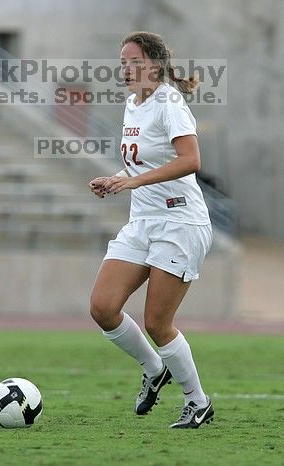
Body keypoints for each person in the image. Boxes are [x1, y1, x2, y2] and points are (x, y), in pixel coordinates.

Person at [88, 31, 213, 428]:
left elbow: (191, 160)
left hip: (180, 222)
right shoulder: (132, 104)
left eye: (134, 61)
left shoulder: (169, 103)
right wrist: (116, 178)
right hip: (142, 222)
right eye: (123, 61)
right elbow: (143, 165)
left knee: (158, 323)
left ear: (155, 67)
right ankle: (154, 368)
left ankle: (198, 402)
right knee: (103, 308)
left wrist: (134, 182)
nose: (126, 68)